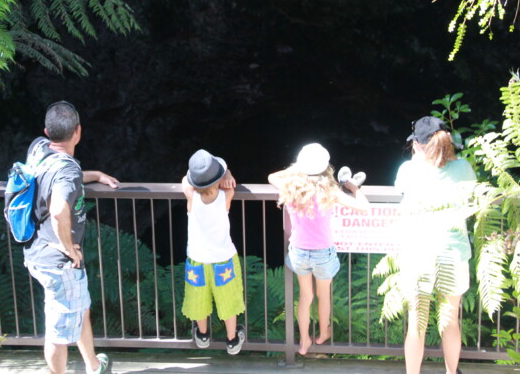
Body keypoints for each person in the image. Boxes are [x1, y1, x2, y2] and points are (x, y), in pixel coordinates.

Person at [23, 101, 120, 374]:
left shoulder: (39, 149)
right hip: (58, 262)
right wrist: (69, 249)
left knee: (79, 309)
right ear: (78, 132)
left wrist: (95, 175)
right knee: (57, 331)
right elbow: (57, 210)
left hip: (36, 250)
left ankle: (92, 365)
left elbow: (59, 178)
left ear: (46, 131)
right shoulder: (67, 170)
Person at [268, 143, 370, 355]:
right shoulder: (329, 191)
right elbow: (364, 207)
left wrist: (297, 169)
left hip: (298, 251)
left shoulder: (291, 187)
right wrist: (355, 189)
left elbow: (271, 177)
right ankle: (323, 334)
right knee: (323, 296)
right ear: (326, 168)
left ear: (300, 165)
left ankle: (304, 342)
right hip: (323, 253)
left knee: (306, 297)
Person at [395, 116, 477, 374]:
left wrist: (419, 159)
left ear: (418, 145)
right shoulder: (463, 167)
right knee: (450, 320)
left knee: (416, 324)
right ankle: (451, 372)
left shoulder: (409, 170)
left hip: (418, 254)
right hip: (453, 253)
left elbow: (403, 192)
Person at [181, 149, 247, 355]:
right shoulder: (226, 195)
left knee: (198, 296)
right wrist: (227, 175)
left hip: (197, 260)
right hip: (223, 260)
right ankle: (232, 339)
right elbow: (224, 173)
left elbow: (185, 178)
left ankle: (202, 336)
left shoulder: (190, 195)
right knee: (227, 296)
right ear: (218, 179)